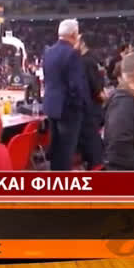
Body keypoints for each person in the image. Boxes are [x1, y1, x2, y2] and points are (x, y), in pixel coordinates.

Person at [42, 19, 94, 170]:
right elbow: (76, 86)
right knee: (66, 152)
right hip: (68, 110)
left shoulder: (48, 52)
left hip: (51, 107)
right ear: (73, 34)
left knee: (56, 149)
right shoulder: (73, 53)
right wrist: (81, 106)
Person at [76, 34, 104, 165]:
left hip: (90, 108)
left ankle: (96, 167)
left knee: (91, 141)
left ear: (82, 43)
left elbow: (94, 85)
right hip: (94, 106)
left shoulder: (85, 61)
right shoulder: (94, 58)